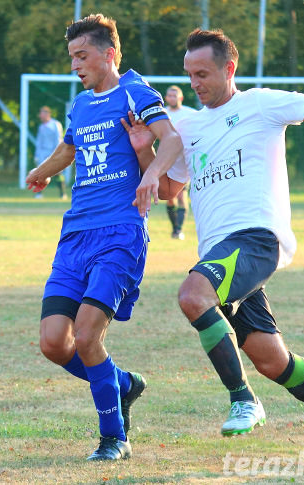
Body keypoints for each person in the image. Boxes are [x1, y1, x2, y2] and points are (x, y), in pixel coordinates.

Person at [125, 28, 304, 466]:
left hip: (256, 238)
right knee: (273, 361)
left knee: (192, 296)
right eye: (189, 75)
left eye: (203, 73)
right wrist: (144, 152)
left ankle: (242, 400)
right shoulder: (187, 126)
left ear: (229, 69)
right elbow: (171, 191)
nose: (194, 83)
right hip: (219, 253)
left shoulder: (260, 103)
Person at [25, 13, 183, 461]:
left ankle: (114, 437)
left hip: (120, 233)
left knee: (88, 335)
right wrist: (43, 171)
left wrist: (151, 174)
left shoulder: (136, 91)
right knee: (55, 343)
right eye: (72, 57)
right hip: (75, 235)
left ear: (108, 54)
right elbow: (70, 148)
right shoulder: (79, 104)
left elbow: (170, 141)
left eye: (82, 55)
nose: (75, 65)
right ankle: (122, 383)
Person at [163, 86, 198, 239]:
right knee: (169, 196)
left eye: (174, 95)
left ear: (181, 98)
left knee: (181, 195)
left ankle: (179, 230)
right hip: (167, 159)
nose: (172, 98)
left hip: (183, 160)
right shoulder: (162, 114)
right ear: (166, 98)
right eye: (169, 95)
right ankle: (174, 228)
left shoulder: (190, 114)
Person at [34, 106, 67, 199]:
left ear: (47, 114)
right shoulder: (41, 127)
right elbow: (39, 142)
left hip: (53, 152)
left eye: (41, 113)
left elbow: (58, 139)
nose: (40, 116)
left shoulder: (55, 124)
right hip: (43, 154)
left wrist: (56, 154)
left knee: (58, 173)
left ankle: (62, 194)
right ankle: (39, 193)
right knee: (41, 173)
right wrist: (37, 155)